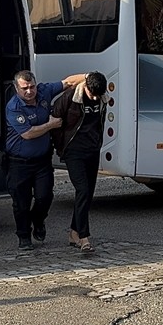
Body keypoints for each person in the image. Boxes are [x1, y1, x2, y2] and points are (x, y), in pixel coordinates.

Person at [4, 69, 87, 250]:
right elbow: (28, 134)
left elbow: (68, 82)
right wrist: (51, 125)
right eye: (24, 88)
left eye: (32, 86)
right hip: (19, 162)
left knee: (45, 197)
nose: (29, 91)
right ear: (16, 88)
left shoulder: (44, 91)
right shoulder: (14, 107)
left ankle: (38, 220)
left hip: (42, 160)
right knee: (21, 202)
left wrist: (88, 77)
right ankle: (24, 236)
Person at [51, 71, 109, 255]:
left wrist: (98, 143)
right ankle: (84, 237)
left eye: (97, 95)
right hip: (74, 151)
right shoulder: (70, 97)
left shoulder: (102, 98)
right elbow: (56, 120)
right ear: (85, 87)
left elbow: (100, 122)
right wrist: (62, 147)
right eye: (92, 94)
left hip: (92, 150)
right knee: (82, 189)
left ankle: (74, 233)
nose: (94, 97)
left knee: (87, 193)